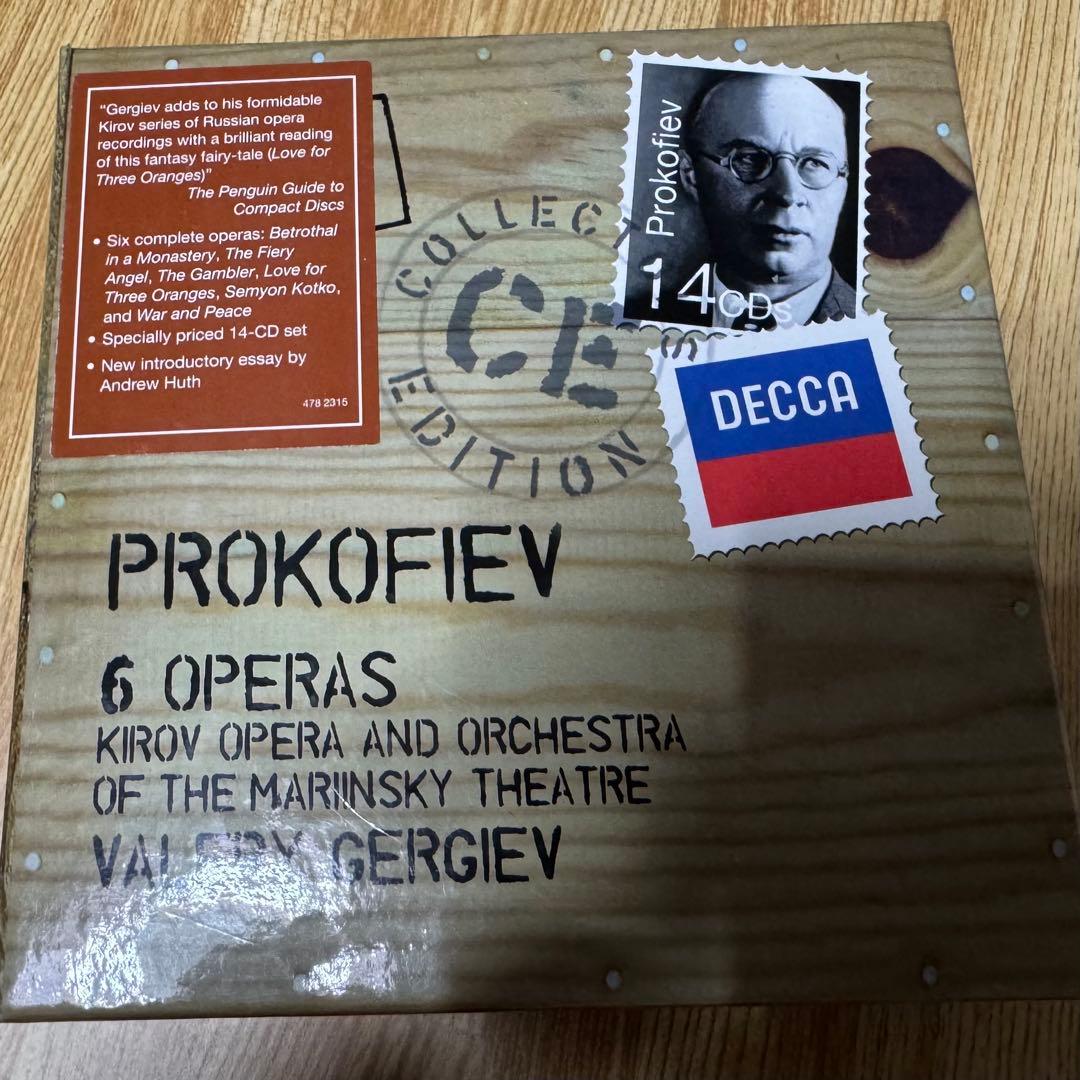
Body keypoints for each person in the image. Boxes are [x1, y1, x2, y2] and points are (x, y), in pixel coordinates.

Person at [678, 72, 856, 329]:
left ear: (842, 187)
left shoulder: (871, 326)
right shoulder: (637, 316)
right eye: (750, 159)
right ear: (692, 175)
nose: (787, 194)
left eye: (815, 163)